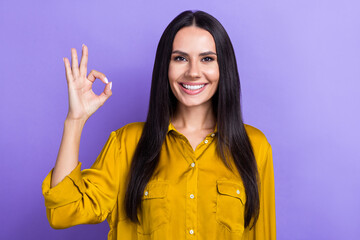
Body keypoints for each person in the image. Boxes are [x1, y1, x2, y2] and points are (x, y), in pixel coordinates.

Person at [42, 10, 276, 240]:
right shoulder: (127, 143)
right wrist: (75, 120)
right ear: (165, 66)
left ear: (223, 68)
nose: (193, 72)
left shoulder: (255, 147)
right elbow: (63, 212)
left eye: (207, 59)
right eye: (180, 58)